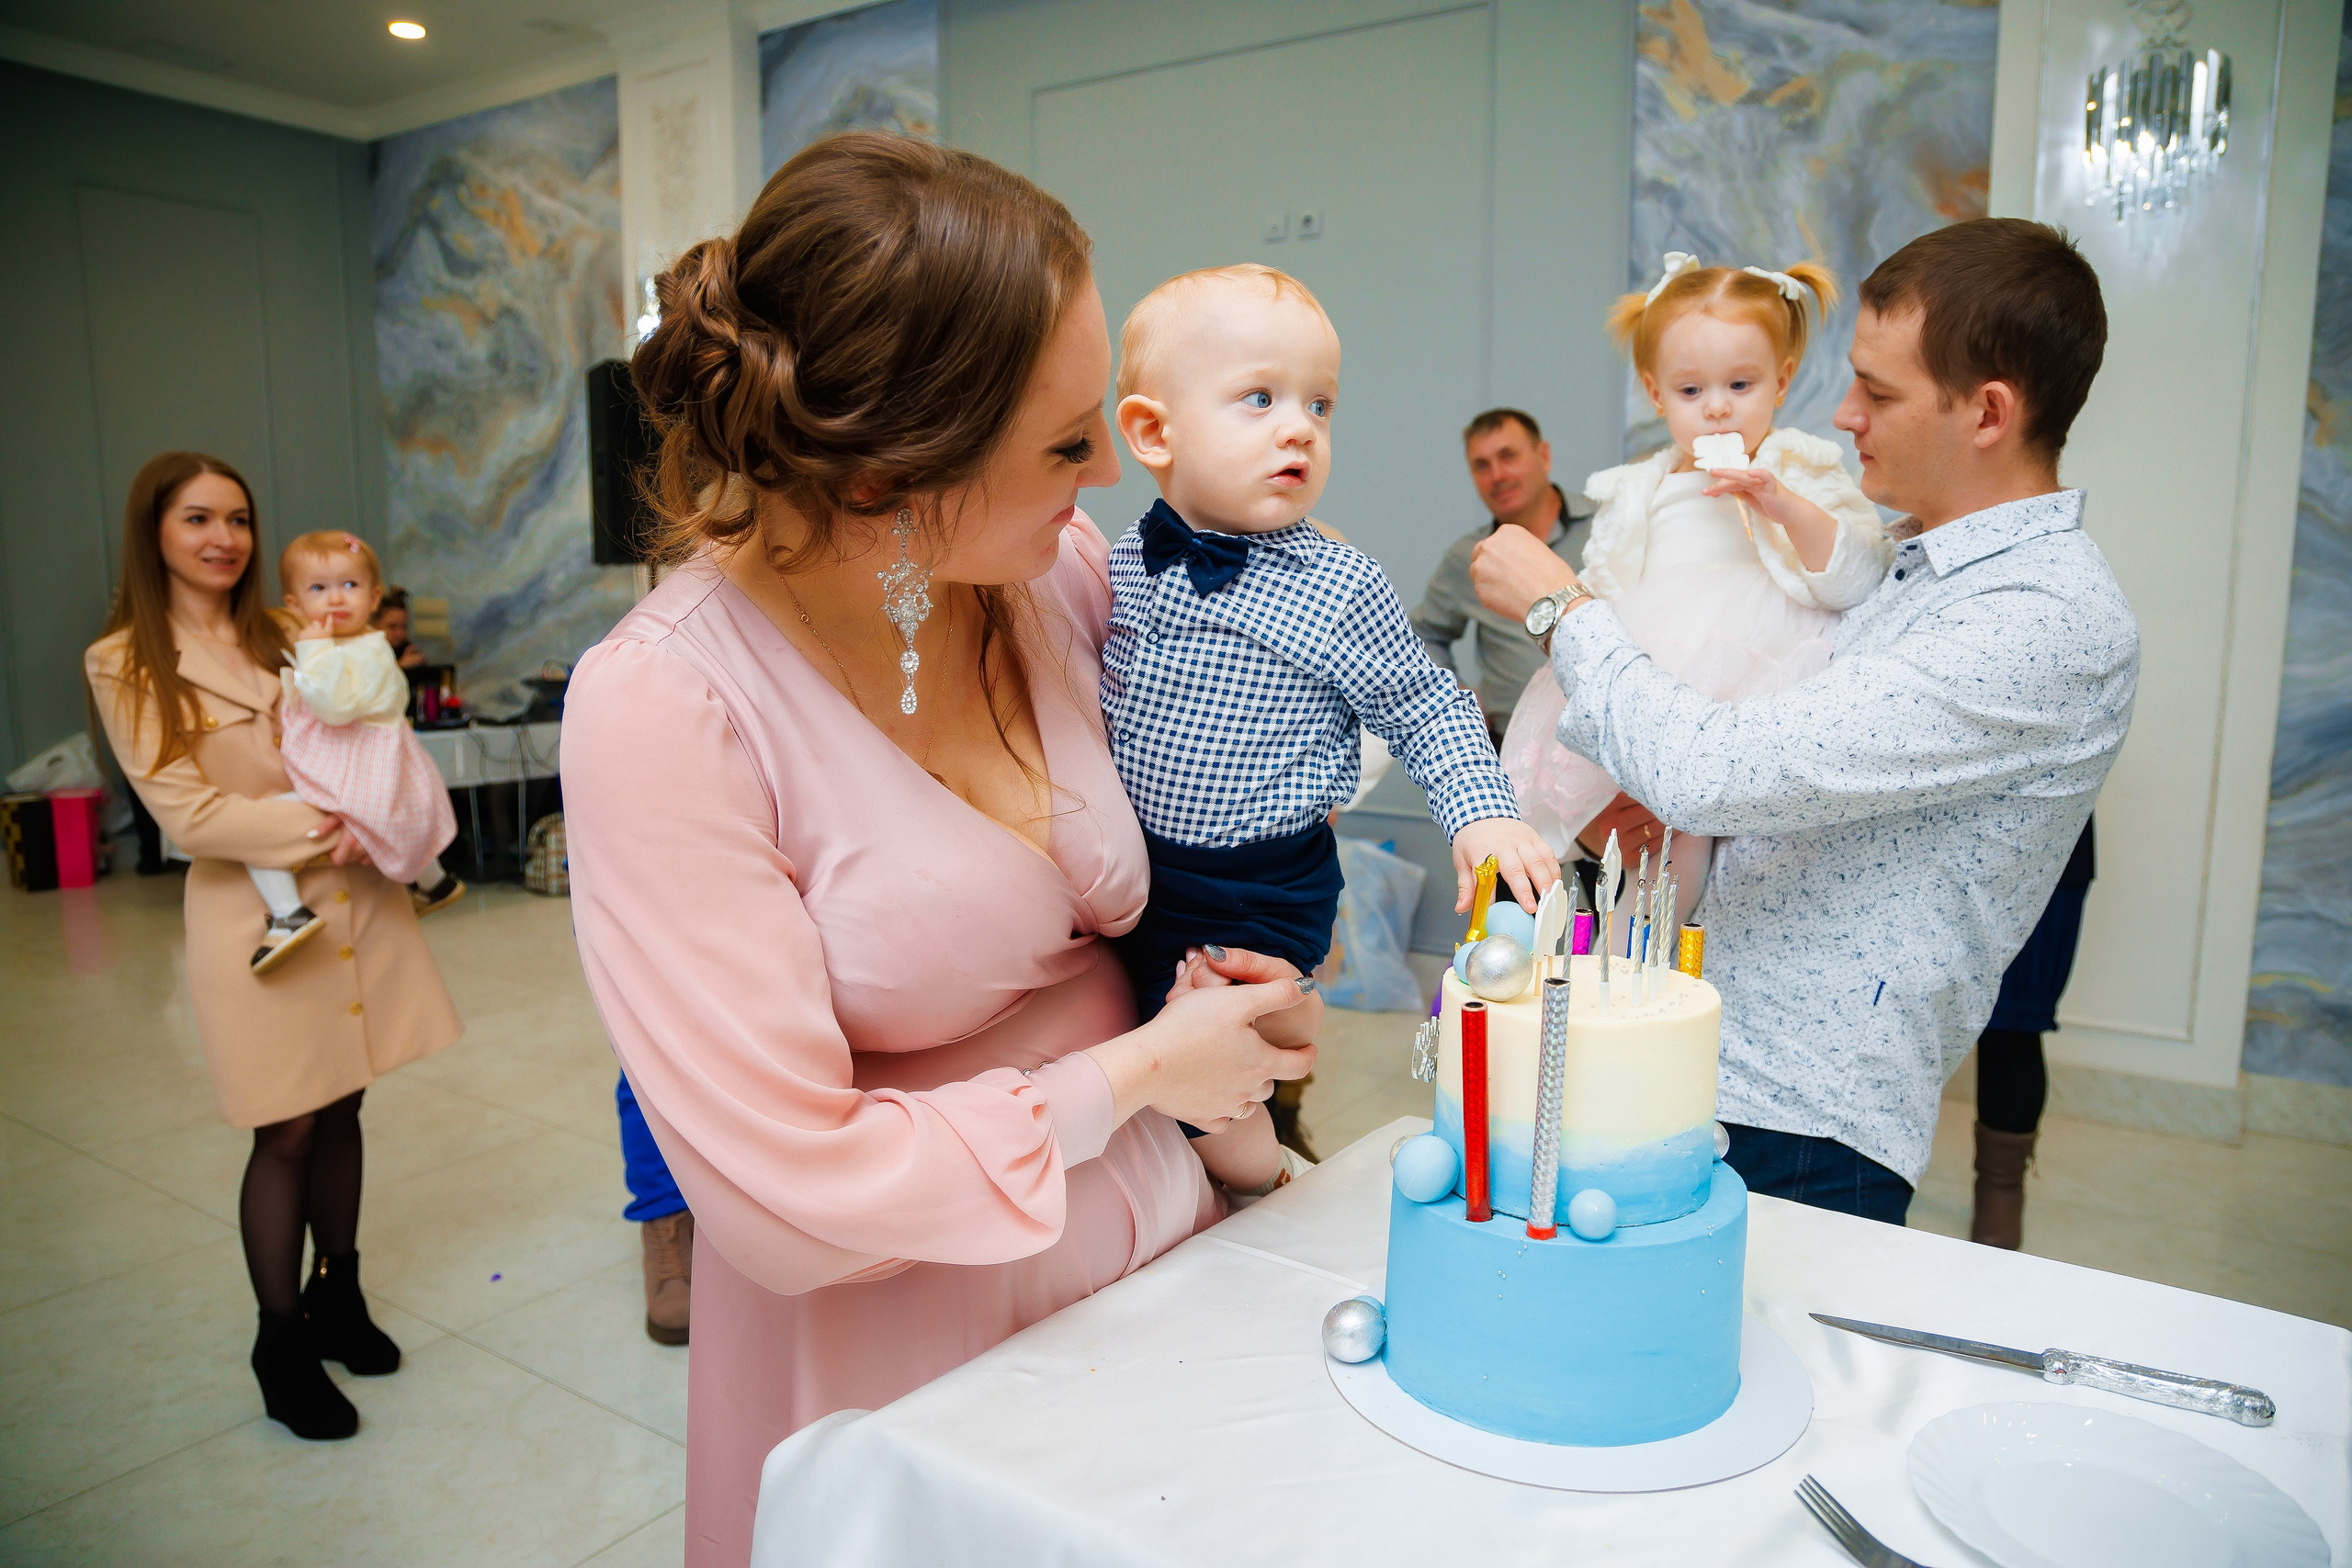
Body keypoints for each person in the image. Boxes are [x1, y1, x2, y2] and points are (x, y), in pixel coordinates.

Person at [560, 133, 1322, 1566]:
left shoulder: (1056, 577)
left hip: (1161, 1254)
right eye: (1062, 438)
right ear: (886, 473)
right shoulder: (665, 708)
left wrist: (1246, 991)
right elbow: (792, 1201)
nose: (1108, 464)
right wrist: (1146, 1071)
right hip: (895, 1332)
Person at [1469, 217, 2138, 1224]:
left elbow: (1716, 767)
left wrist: (1561, 608)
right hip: (1682, 1040)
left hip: (1794, 1114)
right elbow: (1767, 767)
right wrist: (1630, 815)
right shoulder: (1903, 565)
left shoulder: (2041, 619)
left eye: (1878, 388)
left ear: (1988, 411)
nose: (1843, 412)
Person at [1103, 264, 1557, 1198]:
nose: (1298, 426)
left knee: (1219, 1077)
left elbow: (1425, 701)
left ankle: (1257, 1194)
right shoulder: (1112, 567)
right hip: (1138, 871)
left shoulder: (1335, 584)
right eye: (1258, 398)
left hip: (1257, 888)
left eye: (1319, 403)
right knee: (1140, 1066)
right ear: (1153, 432)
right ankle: (1179, 1205)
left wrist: (1480, 813)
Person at [85, 452, 462, 1440]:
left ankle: (340, 1294)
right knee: (284, 1126)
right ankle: (280, 1335)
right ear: (154, 533)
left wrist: (386, 808)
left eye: (239, 519)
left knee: (345, 1101)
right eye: (198, 519)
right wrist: (325, 825)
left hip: (355, 898)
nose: (223, 539)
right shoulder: (126, 659)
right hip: (258, 917)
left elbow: (374, 715)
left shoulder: (292, 629)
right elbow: (185, 810)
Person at [1498, 256, 1887, 938]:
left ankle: (1688, 954)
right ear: (1655, 393)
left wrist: (1782, 504)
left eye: (1741, 383)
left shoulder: (1802, 467)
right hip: (1657, 674)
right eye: (1690, 389)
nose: (1716, 406)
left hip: (1761, 682)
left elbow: (1857, 572)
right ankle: (1631, 956)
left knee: (1728, 854)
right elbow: (1605, 586)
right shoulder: (1639, 486)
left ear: (1783, 380)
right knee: (1640, 855)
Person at [248, 531, 464, 974]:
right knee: (401, 816)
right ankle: (434, 881)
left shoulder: (365, 648)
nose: (335, 600)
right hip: (362, 751)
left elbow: (333, 707)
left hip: (358, 758)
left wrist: (311, 650)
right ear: (294, 604)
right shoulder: (351, 645)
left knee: (266, 821)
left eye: (350, 586)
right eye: (318, 589)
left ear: (374, 597)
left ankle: (289, 912)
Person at [1410, 410, 1593, 745]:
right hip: (1513, 748)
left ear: (1544, 456)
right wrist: (1456, 697)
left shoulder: (1610, 523)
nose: (1496, 475)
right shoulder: (1470, 556)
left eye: (1508, 456)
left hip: (1612, 752)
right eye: (1481, 465)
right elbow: (1421, 633)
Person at [1971, 817, 2095, 1247]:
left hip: (2043, 840)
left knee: (2014, 1024)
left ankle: (2000, 1199)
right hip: (1924, 835)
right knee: (1889, 1017)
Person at [372, 586, 429, 669]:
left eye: (404, 627)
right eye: (392, 626)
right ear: (374, 624)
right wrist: (400, 667)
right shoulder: (370, 652)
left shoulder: (406, 649)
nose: (400, 633)